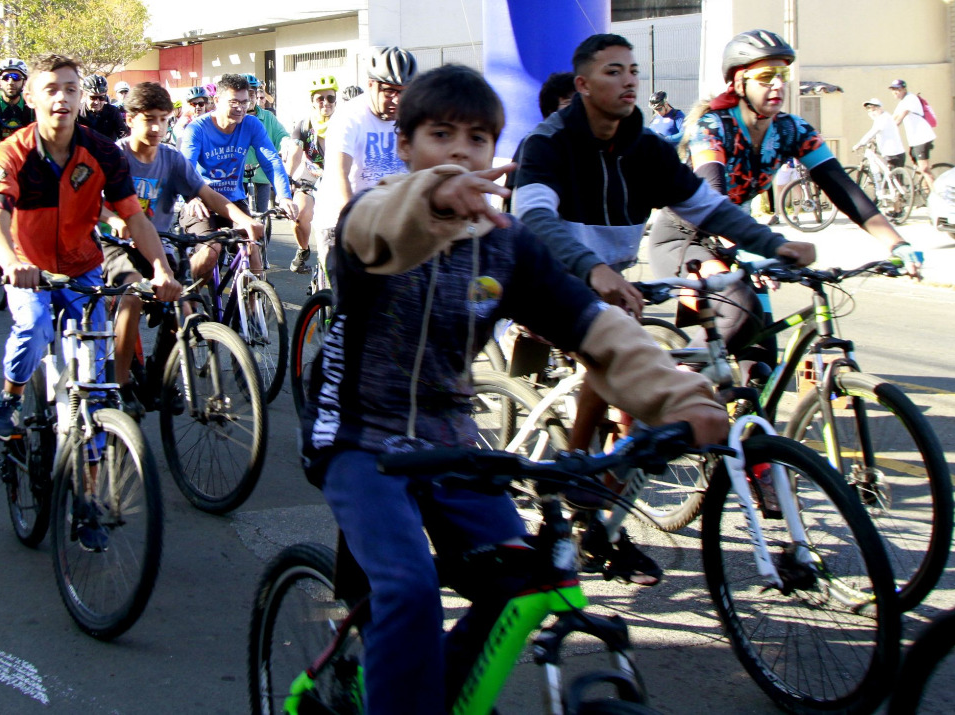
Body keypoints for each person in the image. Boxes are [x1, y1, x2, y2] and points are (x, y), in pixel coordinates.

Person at [302, 62, 728, 715]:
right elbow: (383, 228)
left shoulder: (506, 246)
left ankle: (432, 692)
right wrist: (438, 197)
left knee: (527, 581)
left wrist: (682, 398)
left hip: (454, 442)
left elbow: (595, 325)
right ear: (406, 144)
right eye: (440, 134)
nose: (458, 151)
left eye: (476, 139)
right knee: (410, 588)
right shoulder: (373, 214)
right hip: (362, 440)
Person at [515, 32, 817, 583]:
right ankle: (580, 503)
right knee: (609, 361)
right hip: (543, 280)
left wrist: (776, 246)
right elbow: (534, 218)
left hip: (607, 283)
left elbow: (709, 208)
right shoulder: (548, 143)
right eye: (612, 71)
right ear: (582, 84)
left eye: (633, 69)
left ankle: (594, 509)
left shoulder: (647, 149)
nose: (629, 79)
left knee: (635, 379)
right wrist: (593, 270)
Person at [652, 33, 920, 357]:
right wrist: (755, 249)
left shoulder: (792, 130)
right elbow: (713, 197)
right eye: (766, 77)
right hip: (688, 239)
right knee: (740, 312)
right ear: (739, 83)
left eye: (783, 75)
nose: (777, 85)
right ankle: (673, 388)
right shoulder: (712, 128)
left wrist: (897, 243)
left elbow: (845, 191)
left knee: (761, 360)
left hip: (742, 239)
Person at [0, 55, 182, 443]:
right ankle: (10, 398)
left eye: (71, 89)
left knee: (95, 378)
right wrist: (10, 262)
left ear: (81, 97)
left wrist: (161, 270)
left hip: (82, 266)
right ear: (31, 98)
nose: (63, 98)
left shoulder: (103, 151)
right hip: (28, 266)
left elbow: (135, 217)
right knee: (36, 323)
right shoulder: (11, 153)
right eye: (52, 89)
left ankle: (91, 481)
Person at [100, 81, 258, 414]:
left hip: (157, 246)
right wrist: (115, 221)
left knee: (183, 310)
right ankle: (121, 384)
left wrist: (241, 218)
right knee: (130, 297)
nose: (157, 127)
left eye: (163, 118)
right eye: (148, 119)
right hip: (117, 247)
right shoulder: (117, 156)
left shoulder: (171, 159)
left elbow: (207, 194)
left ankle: (159, 377)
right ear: (130, 119)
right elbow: (92, 203)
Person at [178, 73, 293, 280]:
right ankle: (183, 293)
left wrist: (284, 197)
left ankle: (253, 309)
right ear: (217, 101)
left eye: (244, 101)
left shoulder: (251, 124)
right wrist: (192, 197)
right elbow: (187, 167)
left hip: (234, 200)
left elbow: (271, 161)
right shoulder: (197, 128)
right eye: (233, 102)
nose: (240, 107)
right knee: (210, 251)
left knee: (252, 247)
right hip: (201, 201)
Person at [310, 47, 419, 258]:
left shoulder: (410, 117)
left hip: (388, 220)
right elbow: (338, 173)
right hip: (341, 219)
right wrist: (354, 221)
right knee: (353, 289)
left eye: (405, 92)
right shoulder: (349, 117)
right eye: (390, 92)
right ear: (371, 85)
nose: (398, 100)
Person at [284, 75, 337, 273]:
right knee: (300, 214)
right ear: (312, 102)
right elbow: (295, 156)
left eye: (330, 98)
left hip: (336, 178)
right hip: (310, 177)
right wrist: (288, 179)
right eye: (320, 99)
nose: (325, 103)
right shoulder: (304, 125)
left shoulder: (344, 123)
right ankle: (302, 250)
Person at [245, 74, 289, 214]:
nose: (249, 98)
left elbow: (282, 136)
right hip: (238, 177)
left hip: (262, 174)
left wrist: (286, 144)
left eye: (252, 94)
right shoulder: (235, 118)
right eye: (246, 94)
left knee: (262, 214)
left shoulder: (268, 117)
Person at [888, 78, 939, 188]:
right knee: (920, 170)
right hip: (914, 140)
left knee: (924, 169)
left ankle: (937, 196)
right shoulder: (902, 102)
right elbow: (892, 119)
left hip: (922, 138)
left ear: (904, 89)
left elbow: (899, 118)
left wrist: (890, 131)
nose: (895, 92)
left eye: (898, 89)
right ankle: (926, 193)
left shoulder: (910, 99)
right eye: (893, 89)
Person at [854, 98, 907, 167]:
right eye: (869, 111)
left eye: (874, 110)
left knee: (891, 176)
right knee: (891, 176)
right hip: (894, 153)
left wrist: (860, 144)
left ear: (880, 109)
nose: (872, 113)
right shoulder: (886, 117)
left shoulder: (882, 119)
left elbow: (872, 133)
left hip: (892, 154)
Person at [78, 73, 127, 139]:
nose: (97, 102)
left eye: (101, 98)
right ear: (85, 95)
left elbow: (124, 135)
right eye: (93, 97)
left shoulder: (113, 112)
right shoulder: (77, 112)